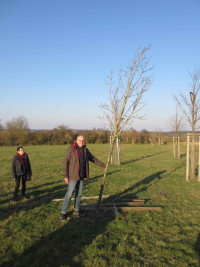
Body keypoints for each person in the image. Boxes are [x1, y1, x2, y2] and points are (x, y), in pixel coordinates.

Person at [60, 135, 106, 221]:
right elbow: (65, 162)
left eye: (83, 140)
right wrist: (66, 176)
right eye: (80, 140)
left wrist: (104, 165)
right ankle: (63, 212)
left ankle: (77, 210)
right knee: (69, 195)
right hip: (73, 176)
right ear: (76, 140)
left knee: (79, 194)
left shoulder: (85, 150)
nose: (81, 142)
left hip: (81, 176)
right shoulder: (71, 150)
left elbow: (93, 158)